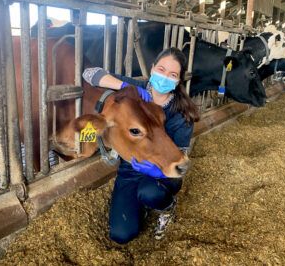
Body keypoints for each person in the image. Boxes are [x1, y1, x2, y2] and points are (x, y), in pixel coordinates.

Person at [82, 47, 199, 244]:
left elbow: (181, 164)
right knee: (121, 234)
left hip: (163, 168)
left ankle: (167, 207)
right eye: (161, 70)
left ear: (178, 80)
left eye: (172, 74)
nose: (164, 77)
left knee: (149, 191)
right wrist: (126, 87)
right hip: (132, 166)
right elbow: (89, 74)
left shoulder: (182, 114)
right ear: (152, 69)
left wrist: (156, 172)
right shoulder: (136, 90)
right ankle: (139, 206)